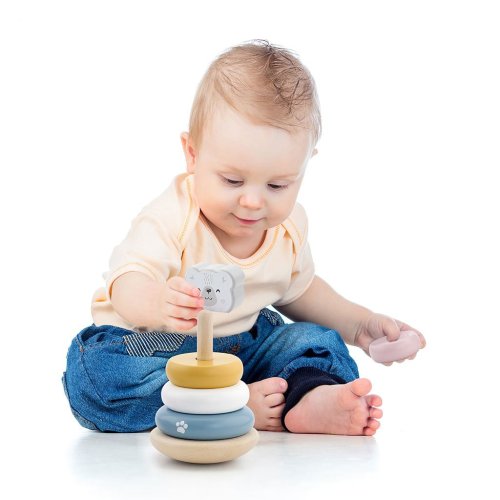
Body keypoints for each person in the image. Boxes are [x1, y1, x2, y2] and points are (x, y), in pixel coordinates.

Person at [62, 40, 425, 434]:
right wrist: (157, 303)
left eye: (277, 185)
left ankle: (308, 397)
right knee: (97, 371)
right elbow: (125, 283)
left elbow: (300, 291)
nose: (253, 202)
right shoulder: (172, 216)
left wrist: (361, 326)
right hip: (161, 351)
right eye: (232, 180)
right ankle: (224, 402)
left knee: (314, 341)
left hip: (243, 349)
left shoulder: (288, 228)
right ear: (193, 154)